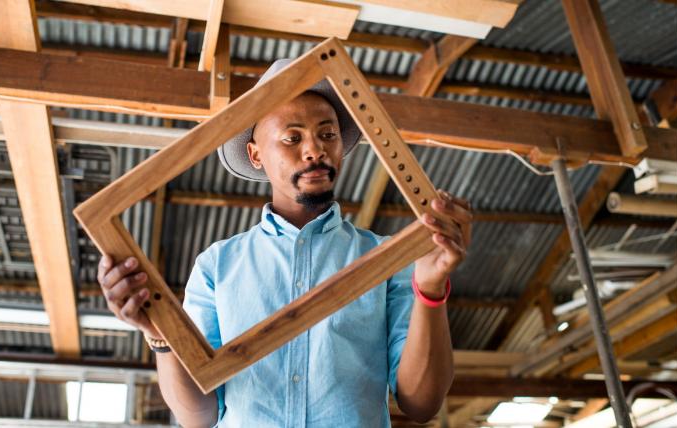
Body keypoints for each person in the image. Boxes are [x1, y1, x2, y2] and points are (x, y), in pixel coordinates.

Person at [97, 59, 472, 427]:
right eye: (292, 138)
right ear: (256, 155)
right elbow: (199, 416)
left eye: (327, 135)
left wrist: (431, 288)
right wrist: (161, 336)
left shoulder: (391, 259)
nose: (315, 150)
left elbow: (421, 404)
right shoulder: (217, 266)